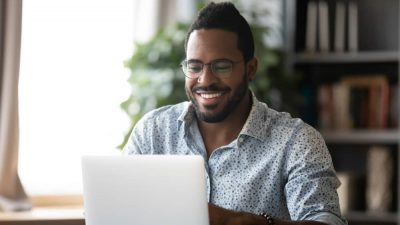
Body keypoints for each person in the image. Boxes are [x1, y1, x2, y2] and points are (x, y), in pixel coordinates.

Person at [123, 2, 347, 225]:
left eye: (221, 66)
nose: (205, 80)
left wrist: (238, 221)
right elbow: (121, 207)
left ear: (250, 69)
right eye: (194, 66)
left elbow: (326, 221)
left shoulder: (296, 142)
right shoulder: (153, 132)